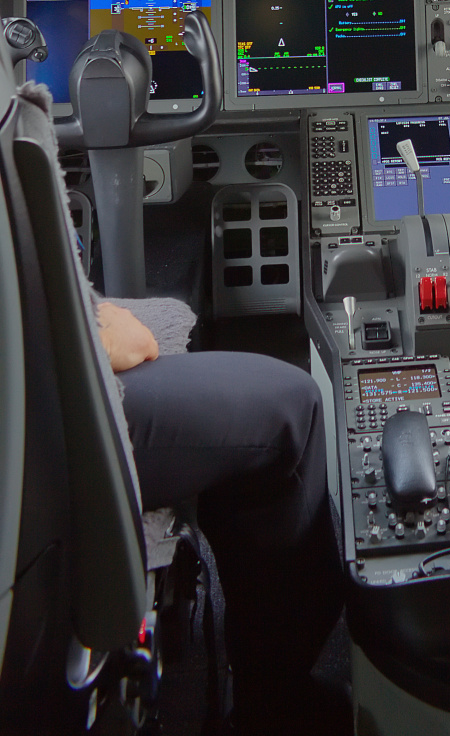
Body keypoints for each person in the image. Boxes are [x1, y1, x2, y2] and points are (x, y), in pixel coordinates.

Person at [95, 301, 347, 735]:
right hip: (47, 419)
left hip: (38, 388)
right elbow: (123, 340)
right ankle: (277, 709)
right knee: (293, 410)